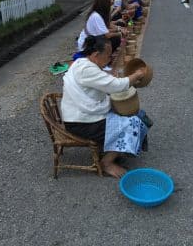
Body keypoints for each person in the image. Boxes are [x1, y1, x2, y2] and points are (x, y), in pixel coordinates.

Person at [61, 35, 147, 178]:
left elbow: (100, 80)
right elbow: (117, 86)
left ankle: (114, 149)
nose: (110, 58)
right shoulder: (87, 70)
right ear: (95, 55)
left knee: (129, 114)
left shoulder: (81, 62)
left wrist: (108, 74)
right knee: (134, 123)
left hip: (78, 116)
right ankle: (106, 163)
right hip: (80, 123)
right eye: (108, 55)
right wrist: (137, 74)